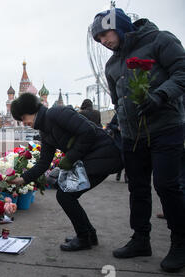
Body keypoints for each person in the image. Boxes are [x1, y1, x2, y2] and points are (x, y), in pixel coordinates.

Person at [91, 8, 185, 272]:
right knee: (139, 188)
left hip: (166, 127)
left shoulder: (159, 41)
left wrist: (160, 96)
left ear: (119, 25)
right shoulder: (112, 64)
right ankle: (140, 239)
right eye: (98, 39)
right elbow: (116, 100)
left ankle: (180, 241)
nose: (103, 41)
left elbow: (182, 72)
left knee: (167, 185)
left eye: (105, 34)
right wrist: (120, 122)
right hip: (133, 135)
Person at [9, 93, 123, 251]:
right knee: (67, 195)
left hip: (104, 155)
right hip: (93, 159)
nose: (24, 123)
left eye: (23, 118)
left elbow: (88, 131)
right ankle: (89, 235)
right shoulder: (45, 131)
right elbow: (44, 163)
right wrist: (22, 179)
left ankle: (84, 238)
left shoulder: (56, 113)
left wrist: (70, 157)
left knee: (66, 195)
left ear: (31, 110)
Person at [106, 113, 127, 183]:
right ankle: (121, 172)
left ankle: (124, 173)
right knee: (122, 156)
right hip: (119, 140)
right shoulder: (118, 114)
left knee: (127, 157)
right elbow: (110, 125)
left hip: (129, 139)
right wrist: (117, 127)